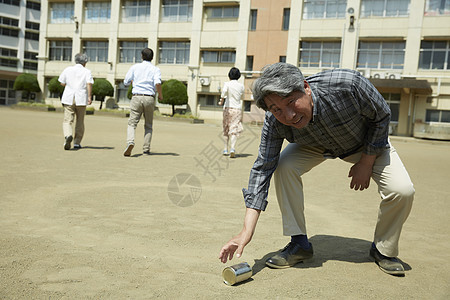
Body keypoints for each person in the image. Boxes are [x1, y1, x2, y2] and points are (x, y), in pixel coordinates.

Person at [219, 63, 414, 276]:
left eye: (291, 102)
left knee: (402, 190)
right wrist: (246, 231)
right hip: (314, 144)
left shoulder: (347, 84)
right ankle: (299, 244)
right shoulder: (274, 122)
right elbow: (263, 168)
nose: (289, 115)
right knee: (283, 166)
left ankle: (383, 250)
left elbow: (382, 115)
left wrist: (366, 162)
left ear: (306, 87)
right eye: (277, 110)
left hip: (366, 143)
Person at [123, 47, 163, 156]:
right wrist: (160, 95)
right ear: (152, 57)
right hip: (149, 97)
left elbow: (126, 81)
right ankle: (146, 149)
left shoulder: (135, 67)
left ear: (142, 56)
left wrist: (132, 82)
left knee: (132, 123)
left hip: (137, 96)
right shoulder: (155, 69)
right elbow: (158, 83)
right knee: (148, 124)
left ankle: (130, 142)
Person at [58, 53, 93, 150]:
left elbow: (62, 82)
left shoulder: (68, 69)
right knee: (80, 121)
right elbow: (89, 84)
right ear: (85, 62)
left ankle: (68, 135)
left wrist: (70, 86)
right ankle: (77, 142)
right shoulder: (87, 71)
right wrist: (89, 96)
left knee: (67, 120)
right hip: (81, 98)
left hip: (69, 97)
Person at [218, 67, 245, 158]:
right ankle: (232, 148)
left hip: (227, 108)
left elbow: (224, 92)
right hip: (237, 109)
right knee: (234, 128)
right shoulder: (241, 86)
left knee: (226, 128)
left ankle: (225, 149)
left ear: (229, 75)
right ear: (239, 76)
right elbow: (242, 97)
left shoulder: (227, 84)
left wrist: (221, 100)